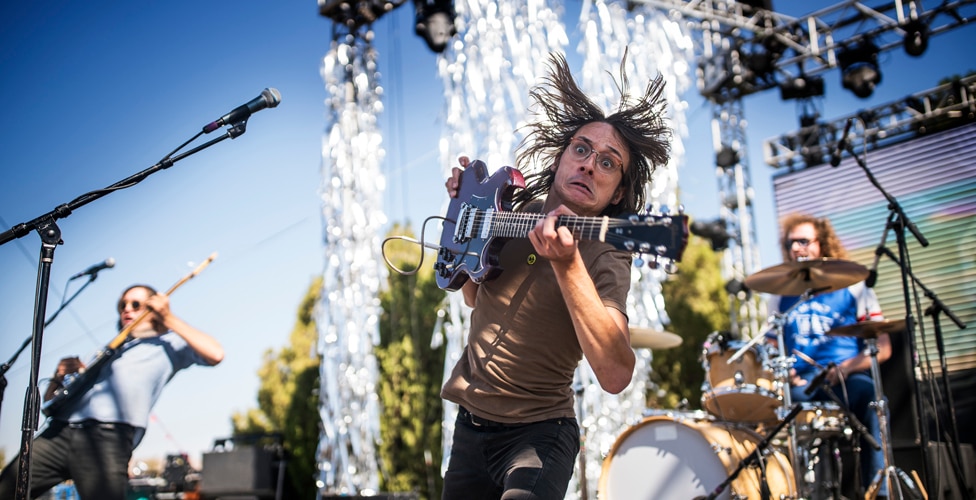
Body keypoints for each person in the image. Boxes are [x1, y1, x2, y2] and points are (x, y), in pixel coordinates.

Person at [439, 52, 671, 499]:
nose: (588, 164)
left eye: (608, 162)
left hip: (539, 435)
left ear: (618, 190)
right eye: (581, 149)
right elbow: (473, 298)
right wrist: (462, 211)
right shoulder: (513, 210)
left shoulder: (609, 252)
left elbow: (616, 374)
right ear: (562, 158)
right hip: (468, 428)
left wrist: (567, 265)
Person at [0, 284, 224, 500]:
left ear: (155, 308)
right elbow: (50, 402)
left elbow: (215, 353)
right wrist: (57, 379)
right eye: (122, 305)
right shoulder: (102, 352)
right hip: (59, 432)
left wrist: (168, 318)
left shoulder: (168, 344)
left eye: (136, 304)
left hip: (106, 437)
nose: (127, 309)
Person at [770, 213, 891, 498]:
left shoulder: (853, 285)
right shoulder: (779, 296)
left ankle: (879, 491)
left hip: (846, 377)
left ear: (822, 243)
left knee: (874, 397)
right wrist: (782, 372)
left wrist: (847, 368)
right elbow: (772, 352)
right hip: (804, 386)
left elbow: (883, 347)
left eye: (803, 241)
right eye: (790, 244)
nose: (796, 248)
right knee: (774, 410)